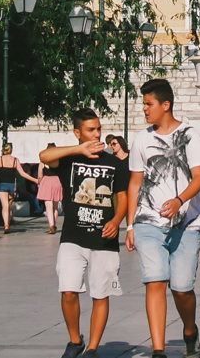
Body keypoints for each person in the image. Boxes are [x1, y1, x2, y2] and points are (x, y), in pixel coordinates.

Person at [125, 78, 200, 358]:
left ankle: (189, 330)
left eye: (149, 104)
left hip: (187, 223)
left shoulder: (190, 135)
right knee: (156, 280)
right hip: (148, 221)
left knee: (182, 287)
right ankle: (158, 351)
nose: (145, 109)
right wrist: (130, 223)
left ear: (165, 105)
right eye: (143, 104)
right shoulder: (142, 139)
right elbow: (135, 182)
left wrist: (179, 200)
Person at [41, 110, 131, 358]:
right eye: (91, 130)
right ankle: (74, 340)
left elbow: (123, 197)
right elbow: (44, 156)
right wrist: (76, 149)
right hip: (72, 236)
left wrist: (117, 219)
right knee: (68, 290)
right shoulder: (69, 159)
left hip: (104, 237)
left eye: (98, 128)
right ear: (78, 133)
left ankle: (92, 347)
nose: (97, 134)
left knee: (100, 293)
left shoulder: (114, 162)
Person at [0, 140, 23, 233]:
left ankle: (6, 225)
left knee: (4, 205)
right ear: (11, 150)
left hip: (2, 185)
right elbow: (22, 173)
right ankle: (8, 222)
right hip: (12, 185)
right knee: (9, 206)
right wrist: (34, 179)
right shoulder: (15, 160)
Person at [34, 141, 63, 236]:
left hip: (47, 182)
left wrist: (39, 183)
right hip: (57, 181)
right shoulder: (59, 161)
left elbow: (39, 176)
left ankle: (51, 225)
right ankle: (53, 224)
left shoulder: (43, 162)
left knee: (48, 206)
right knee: (55, 206)